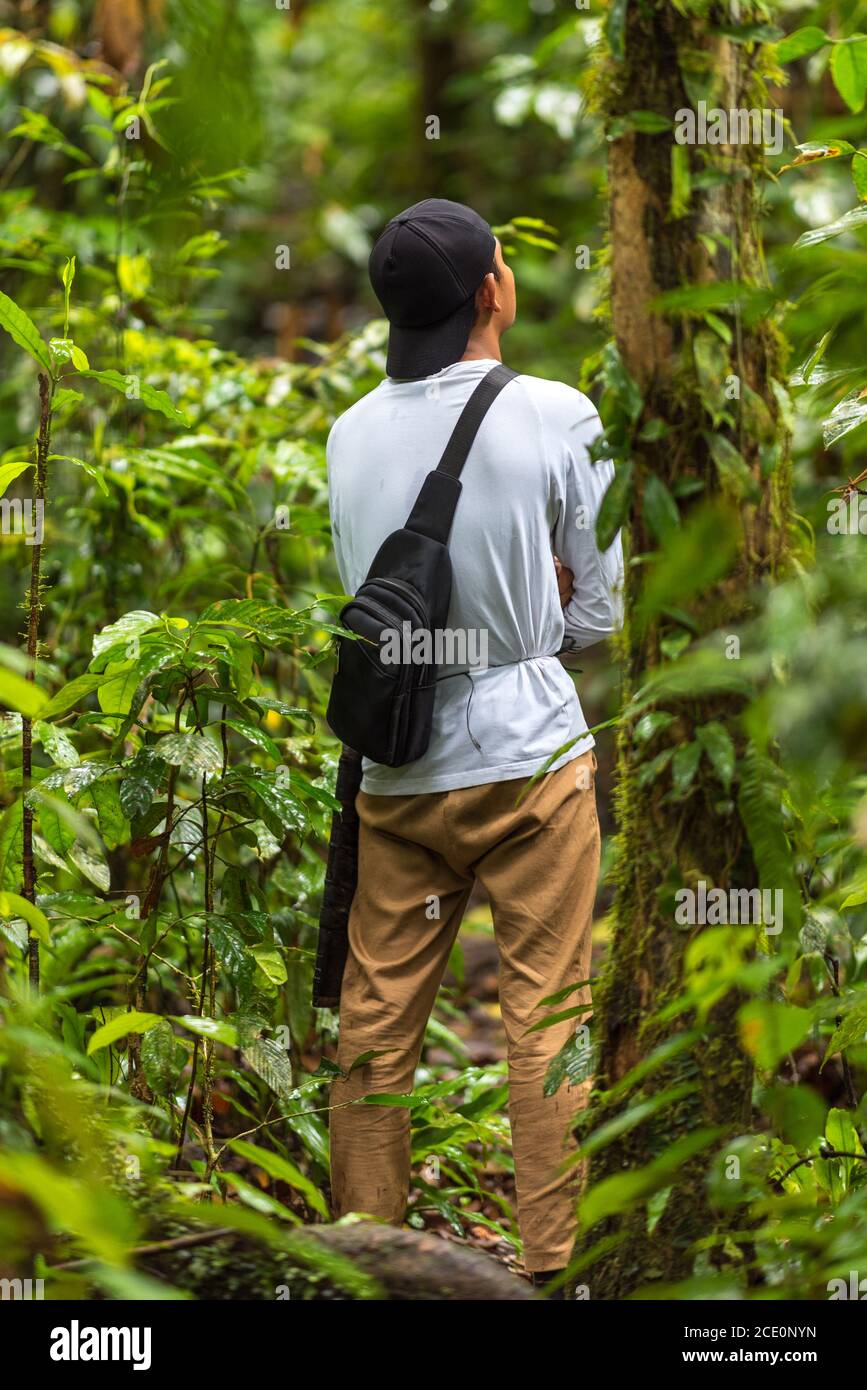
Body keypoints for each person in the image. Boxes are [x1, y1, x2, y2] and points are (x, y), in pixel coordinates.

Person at [325, 198, 623, 1286]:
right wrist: (535, 601)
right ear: (492, 291)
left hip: (398, 767)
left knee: (373, 1030)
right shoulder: (555, 412)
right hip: (532, 760)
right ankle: (556, 1270)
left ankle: (364, 1260)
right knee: (548, 1016)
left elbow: (370, 607)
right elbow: (599, 617)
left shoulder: (348, 431)